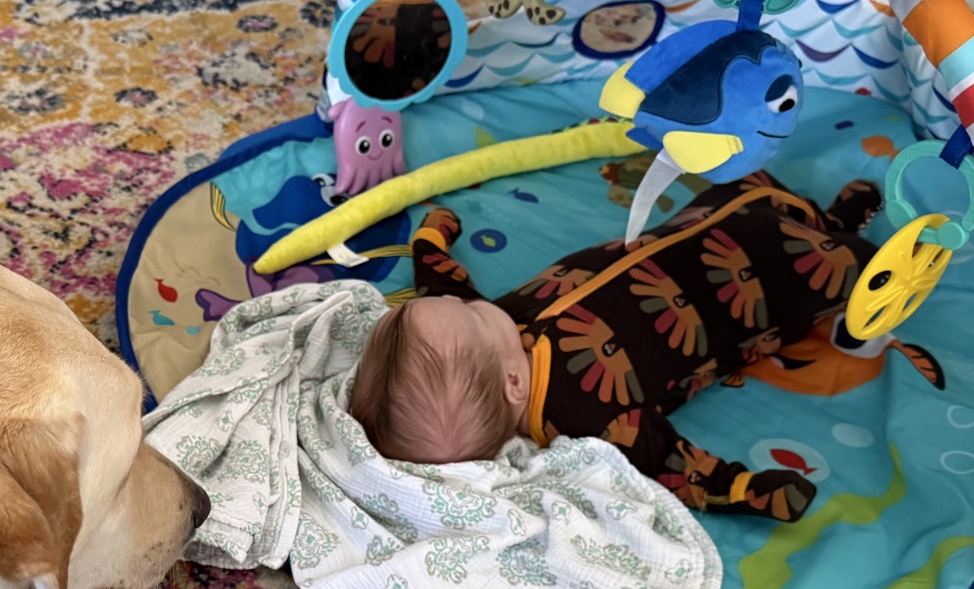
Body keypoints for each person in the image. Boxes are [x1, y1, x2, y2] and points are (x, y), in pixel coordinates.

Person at [346, 172, 884, 521]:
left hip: (687, 234)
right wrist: (745, 489)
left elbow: (446, 296)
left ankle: (824, 216)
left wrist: (428, 246)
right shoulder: (588, 416)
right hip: (748, 292)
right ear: (512, 383)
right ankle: (845, 233)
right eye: (467, 312)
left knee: (745, 190)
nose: (465, 301)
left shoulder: (491, 342)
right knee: (836, 267)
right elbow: (669, 461)